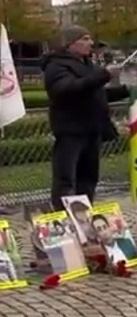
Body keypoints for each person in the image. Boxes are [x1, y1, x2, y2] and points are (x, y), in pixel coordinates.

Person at [40, 25, 130, 207]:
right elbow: (67, 90)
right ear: (70, 43)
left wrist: (126, 91)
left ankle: (85, 214)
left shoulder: (88, 65)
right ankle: (64, 216)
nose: (90, 43)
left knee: (88, 178)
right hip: (71, 131)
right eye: (85, 39)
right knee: (66, 178)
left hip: (91, 130)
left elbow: (95, 93)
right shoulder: (56, 66)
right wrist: (104, 75)